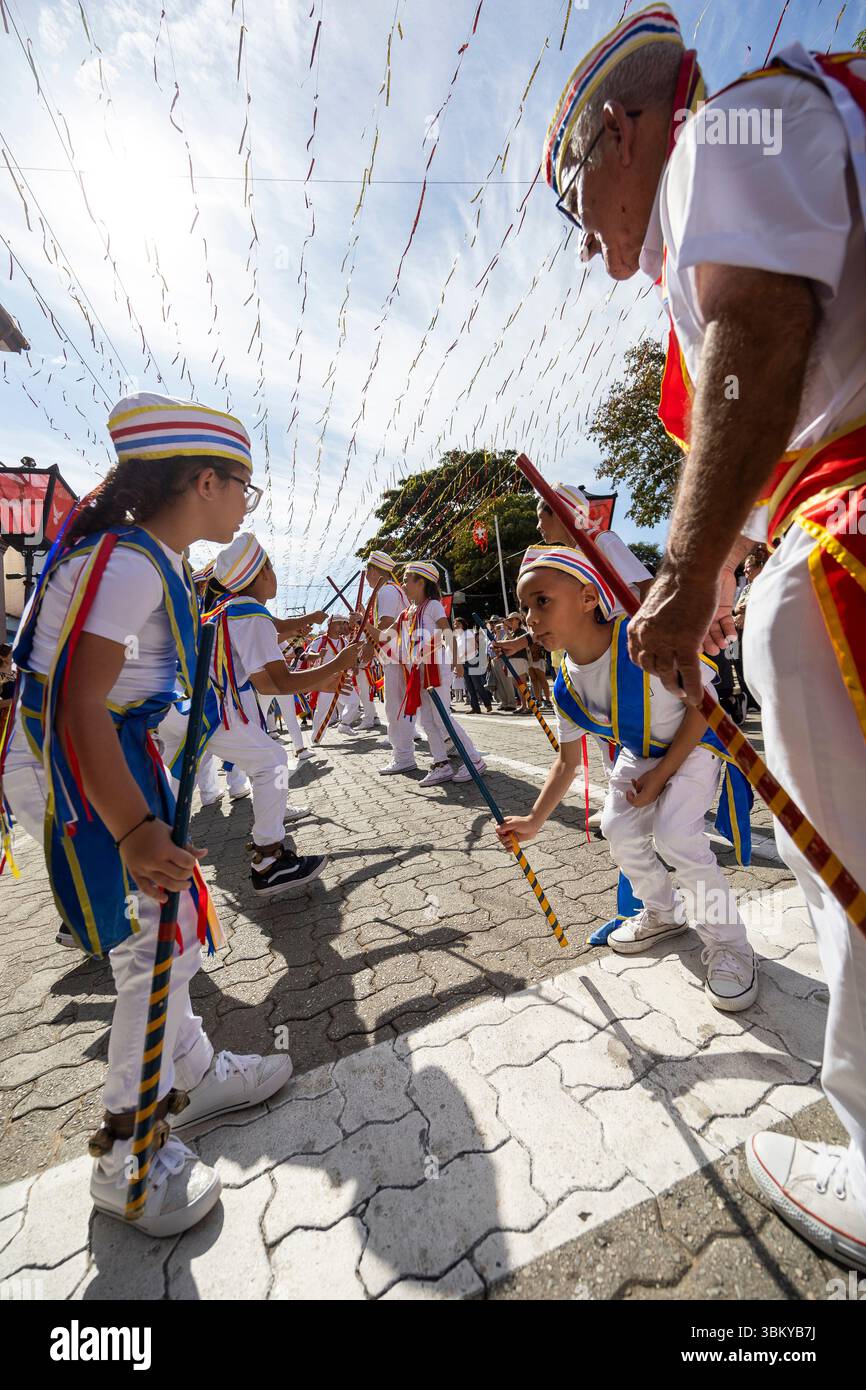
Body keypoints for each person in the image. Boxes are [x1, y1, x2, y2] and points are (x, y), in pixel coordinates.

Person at [543, 1, 866, 1265]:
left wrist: (685, 580)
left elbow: (758, 336)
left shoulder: (720, 131)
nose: (585, 245)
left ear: (625, 131)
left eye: (577, 200)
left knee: (798, 629)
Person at [0, 392, 306, 1237]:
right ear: (205, 481)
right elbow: (76, 705)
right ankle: (126, 1160)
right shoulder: (131, 561)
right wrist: (134, 830)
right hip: (75, 761)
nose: (247, 503)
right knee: (152, 945)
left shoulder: (149, 556)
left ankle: (195, 1071)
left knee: (164, 936)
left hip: (100, 753)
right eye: (244, 485)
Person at [498, 545, 757, 1011]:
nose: (530, 618)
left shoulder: (642, 640)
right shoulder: (565, 684)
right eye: (523, 607)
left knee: (678, 838)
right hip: (642, 753)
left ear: (587, 598)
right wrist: (534, 821)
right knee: (616, 828)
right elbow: (567, 761)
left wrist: (659, 777)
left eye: (542, 601)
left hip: (695, 742)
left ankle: (731, 942)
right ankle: (663, 911)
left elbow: (704, 706)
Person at [160, 533, 364, 897]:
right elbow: (275, 682)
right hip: (212, 709)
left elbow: (271, 660)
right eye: (270, 565)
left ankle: (126, 874)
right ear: (259, 575)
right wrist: (335, 664)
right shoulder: (250, 614)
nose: (275, 573)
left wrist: (321, 675)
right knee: (272, 762)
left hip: (181, 707)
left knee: (172, 788)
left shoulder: (226, 608)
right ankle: (270, 860)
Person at [378, 561, 486, 787]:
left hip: (436, 669)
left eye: (407, 579)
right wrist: (362, 629)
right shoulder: (408, 612)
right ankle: (441, 764)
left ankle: (474, 759)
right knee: (427, 720)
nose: (404, 584)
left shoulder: (433, 606)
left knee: (440, 717)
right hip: (419, 671)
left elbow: (447, 634)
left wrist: (457, 662)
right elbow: (385, 634)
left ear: (421, 582)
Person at [362, 551, 418, 775]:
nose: (366, 577)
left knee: (394, 709)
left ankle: (403, 756)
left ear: (374, 571)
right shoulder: (394, 590)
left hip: (397, 658)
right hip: (401, 656)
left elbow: (385, 626)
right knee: (405, 708)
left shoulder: (385, 590)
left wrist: (367, 644)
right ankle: (446, 745)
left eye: (367, 571)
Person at [731, 548, 767, 712]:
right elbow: (737, 608)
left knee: (754, 665)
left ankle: (758, 700)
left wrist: (744, 610)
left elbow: (758, 605)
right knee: (737, 662)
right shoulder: (746, 588)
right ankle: (749, 699)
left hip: (755, 632)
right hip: (738, 633)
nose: (745, 570)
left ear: (759, 567)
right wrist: (740, 610)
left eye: (748, 566)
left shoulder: (766, 583)